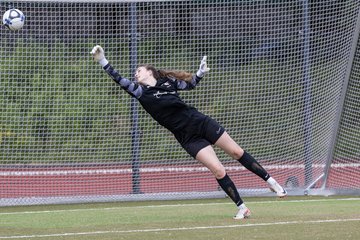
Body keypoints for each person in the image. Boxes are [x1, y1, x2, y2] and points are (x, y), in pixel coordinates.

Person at [90, 45, 287, 220]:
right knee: (218, 170)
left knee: (236, 152)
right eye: (135, 72)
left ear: (150, 71)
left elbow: (190, 84)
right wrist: (103, 61)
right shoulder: (141, 92)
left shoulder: (168, 82)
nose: (135, 74)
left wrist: (200, 72)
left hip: (200, 122)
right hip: (187, 137)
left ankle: (272, 182)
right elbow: (119, 79)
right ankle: (242, 208)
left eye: (138, 70)